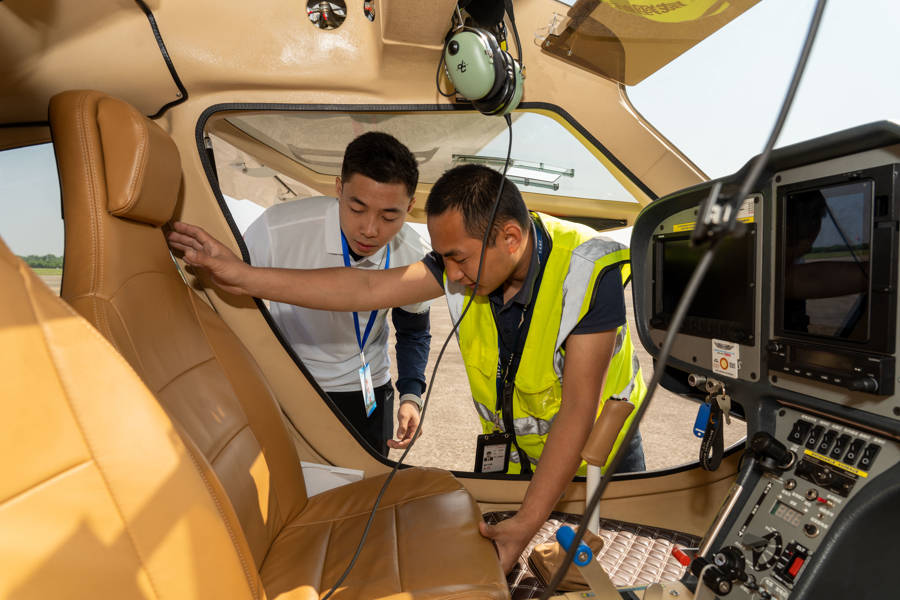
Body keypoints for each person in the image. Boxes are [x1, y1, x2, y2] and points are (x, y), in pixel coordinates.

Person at [168, 164, 646, 573]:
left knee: (601, 568)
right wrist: (242, 275)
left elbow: (579, 408)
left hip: (600, 451)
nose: (451, 277)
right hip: (520, 451)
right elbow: (366, 290)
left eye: (458, 260)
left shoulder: (587, 270)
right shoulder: (472, 257)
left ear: (511, 238)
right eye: (444, 260)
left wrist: (527, 521)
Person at [243, 132, 432, 456]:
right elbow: (234, 310)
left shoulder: (414, 253)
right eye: (357, 208)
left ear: (410, 207)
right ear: (339, 188)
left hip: (369, 390)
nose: (370, 229)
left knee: (363, 494)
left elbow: (414, 330)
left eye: (389, 216)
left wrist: (411, 395)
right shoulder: (277, 230)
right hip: (287, 384)